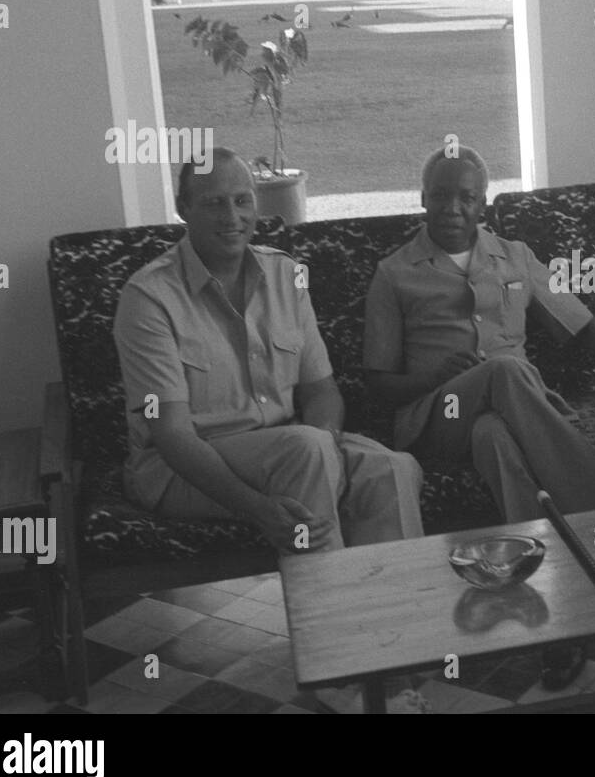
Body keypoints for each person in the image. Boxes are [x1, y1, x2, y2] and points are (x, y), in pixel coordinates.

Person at [363, 144, 595, 688]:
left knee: (498, 441)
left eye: (466, 197)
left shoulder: (515, 256)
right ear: (422, 200)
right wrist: (438, 374)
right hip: (437, 419)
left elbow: (582, 325)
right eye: (441, 195)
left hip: (504, 417)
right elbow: (378, 384)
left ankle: (559, 628)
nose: (453, 208)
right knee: (505, 373)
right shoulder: (394, 274)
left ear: (483, 204)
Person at [114, 148, 425, 555]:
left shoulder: (286, 275)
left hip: (286, 449)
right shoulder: (149, 298)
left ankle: (392, 612)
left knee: (391, 468)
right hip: (182, 468)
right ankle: (326, 611)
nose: (233, 217)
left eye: (243, 200)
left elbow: (321, 391)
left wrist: (329, 447)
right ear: (182, 208)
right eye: (214, 203)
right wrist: (257, 508)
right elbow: (171, 435)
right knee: (305, 450)